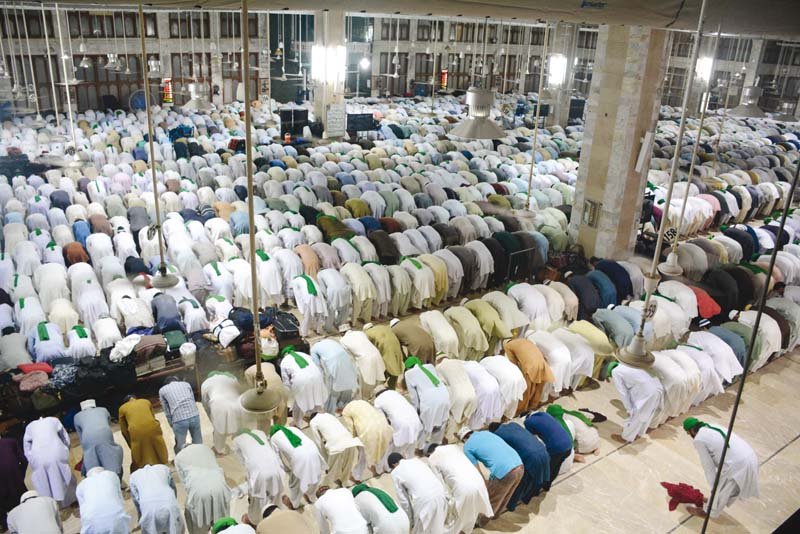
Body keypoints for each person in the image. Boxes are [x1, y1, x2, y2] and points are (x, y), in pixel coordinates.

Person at [683, 417, 759, 518]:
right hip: (750, 456)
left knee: (722, 487)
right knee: (726, 489)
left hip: (737, 464)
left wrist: (714, 487)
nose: (690, 436)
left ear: (692, 430)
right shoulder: (713, 425)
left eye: (689, 433)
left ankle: (708, 512)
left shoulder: (699, 440)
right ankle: (713, 501)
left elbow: (708, 466)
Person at [460, 429, 524, 525]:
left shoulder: (467, 446)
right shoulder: (486, 433)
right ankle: (496, 515)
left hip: (505, 471)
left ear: (464, 439)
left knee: (492, 498)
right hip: (519, 464)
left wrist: (485, 484)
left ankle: (481, 522)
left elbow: (476, 470)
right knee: (507, 494)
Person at [428, 444, 493, 534]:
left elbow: (440, 484)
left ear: (429, 453)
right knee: (471, 515)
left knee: (456, 519)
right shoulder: (454, 447)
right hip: (479, 482)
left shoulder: (432, 458)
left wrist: (448, 500)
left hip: (464, 487)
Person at [490, 421, 551, 508]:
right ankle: (527, 498)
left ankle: (511, 504)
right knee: (536, 480)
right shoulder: (514, 424)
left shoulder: (499, 434)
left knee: (522, 482)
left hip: (532, 457)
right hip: (543, 450)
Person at [231, 429, 285, 526]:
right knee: (275, 492)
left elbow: (244, 462)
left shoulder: (236, 440)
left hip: (260, 472)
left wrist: (250, 479)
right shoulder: (260, 432)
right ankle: (276, 515)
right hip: (275, 466)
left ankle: (255, 521)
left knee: (259, 498)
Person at [174, 444, 231, 534]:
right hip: (219, 485)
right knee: (222, 525)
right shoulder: (206, 449)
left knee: (198, 524)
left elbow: (184, 483)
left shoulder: (179, 457)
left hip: (199, 490)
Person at [269, 424, 326, 509]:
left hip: (299, 458)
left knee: (294, 484)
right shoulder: (292, 428)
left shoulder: (273, 438)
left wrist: (286, 469)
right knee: (315, 476)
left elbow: (278, 457)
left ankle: (294, 504)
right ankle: (312, 497)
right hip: (313, 452)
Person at [387, 454, 448, 534]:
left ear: (393, 465)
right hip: (440, 493)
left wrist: (410, 521)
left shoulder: (395, 472)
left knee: (420, 530)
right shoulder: (417, 460)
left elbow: (404, 501)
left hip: (425, 500)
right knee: (437, 527)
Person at [22, 417, 76, 506]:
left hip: (38, 457)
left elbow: (26, 447)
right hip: (56, 452)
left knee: (43, 481)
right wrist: (66, 448)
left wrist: (31, 459)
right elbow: (65, 437)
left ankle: (51, 505)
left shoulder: (29, 427)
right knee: (64, 475)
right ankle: (71, 501)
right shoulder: (54, 420)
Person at [607, 361, 664, 443]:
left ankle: (625, 438)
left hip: (647, 391)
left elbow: (623, 392)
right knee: (647, 413)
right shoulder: (627, 365)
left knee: (636, 414)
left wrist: (629, 408)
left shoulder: (615, 372)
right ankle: (638, 433)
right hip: (657, 386)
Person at [403, 356, 450, 450]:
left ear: (408, 367)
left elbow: (414, 397)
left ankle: (421, 448)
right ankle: (436, 445)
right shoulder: (430, 366)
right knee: (441, 422)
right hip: (444, 396)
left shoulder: (409, 374)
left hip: (430, 400)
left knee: (425, 426)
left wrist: (416, 410)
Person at [308, 413, 365, 487]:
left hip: (335, 444)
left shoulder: (312, 422)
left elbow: (318, 442)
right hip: (349, 440)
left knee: (332, 470)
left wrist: (325, 461)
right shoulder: (328, 415)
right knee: (347, 466)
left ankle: (326, 487)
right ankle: (344, 483)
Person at [340, 400, 394, 476]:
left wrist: (356, 441)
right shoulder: (363, 402)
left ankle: (356, 476)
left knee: (363, 455)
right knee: (383, 449)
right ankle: (380, 470)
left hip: (368, 432)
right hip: (383, 427)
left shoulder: (345, 412)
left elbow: (351, 428)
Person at [279, 346, 329, 425]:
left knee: (298, 401)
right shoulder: (304, 354)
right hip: (317, 376)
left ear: (284, 355)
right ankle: (319, 417)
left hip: (301, 380)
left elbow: (286, 382)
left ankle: (297, 422)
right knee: (316, 395)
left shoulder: (284, 361)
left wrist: (289, 395)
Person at [129, 463, 185, 534]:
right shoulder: (163, 468)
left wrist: (140, 515)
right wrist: (173, 502)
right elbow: (173, 488)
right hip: (169, 504)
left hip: (149, 509)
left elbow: (136, 499)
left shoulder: (133, 476)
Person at [503, 338, 555, 414]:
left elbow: (513, 364)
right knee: (538, 387)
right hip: (542, 363)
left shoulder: (508, 346)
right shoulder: (524, 340)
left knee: (526, 389)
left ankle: (521, 410)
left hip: (530, 365)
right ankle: (534, 405)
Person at [73, 399, 124, 478]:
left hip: (87, 438)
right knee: (111, 455)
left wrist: (85, 452)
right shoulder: (103, 410)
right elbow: (108, 423)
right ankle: (115, 476)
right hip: (105, 433)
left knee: (91, 457)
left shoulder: (77, 416)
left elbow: (81, 437)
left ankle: (97, 477)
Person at [118, 395, 169, 472]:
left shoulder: (122, 408)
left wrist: (130, 442)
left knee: (139, 452)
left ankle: (143, 469)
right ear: (135, 398)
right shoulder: (146, 401)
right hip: (153, 427)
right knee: (157, 445)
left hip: (136, 431)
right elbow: (153, 416)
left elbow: (123, 429)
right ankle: (162, 463)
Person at [75, 467, 131, 534]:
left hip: (93, 525)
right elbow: (120, 500)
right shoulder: (112, 475)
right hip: (117, 520)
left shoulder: (81, 486)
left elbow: (83, 512)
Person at [522, 411, 574, 482]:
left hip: (557, 447)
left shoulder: (528, 422)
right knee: (556, 467)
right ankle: (547, 486)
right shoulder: (544, 415)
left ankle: (538, 487)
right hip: (569, 444)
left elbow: (530, 439)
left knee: (546, 469)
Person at [310, 339, 359, 412]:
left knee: (332, 388)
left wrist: (321, 377)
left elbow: (317, 365)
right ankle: (344, 406)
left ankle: (330, 410)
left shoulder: (313, 349)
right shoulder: (331, 341)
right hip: (346, 359)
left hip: (334, 362)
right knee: (347, 382)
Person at [201, 371, 244, 455]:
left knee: (219, 429)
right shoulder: (232, 378)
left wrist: (210, 416)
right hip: (235, 402)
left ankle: (219, 450)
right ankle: (241, 446)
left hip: (218, 404)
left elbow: (205, 402)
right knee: (238, 426)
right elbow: (240, 392)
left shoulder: (205, 383)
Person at [373, 387, 423, 459]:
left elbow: (381, 419)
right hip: (415, 419)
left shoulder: (377, 401)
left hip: (402, 423)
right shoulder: (395, 393)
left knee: (394, 450)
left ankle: (387, 466)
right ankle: (409, 462)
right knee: (410, 446)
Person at [159, 376, 202, 453]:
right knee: (198, 440)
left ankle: (181, 460)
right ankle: (200, 456)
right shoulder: (186, 384)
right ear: (177, 380)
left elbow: (166, 409)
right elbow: (192, 399)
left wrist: (171, 422)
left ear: (166, 384)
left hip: (179, 419)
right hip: (194, 415)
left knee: (181, 444)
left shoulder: (162, 390)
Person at [0, 435, 27, 530]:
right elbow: (24, 460)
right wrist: (21, 474)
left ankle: (6, 526)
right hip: (17, 482)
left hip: (2, 491)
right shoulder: (11, 441)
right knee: (24, 508)